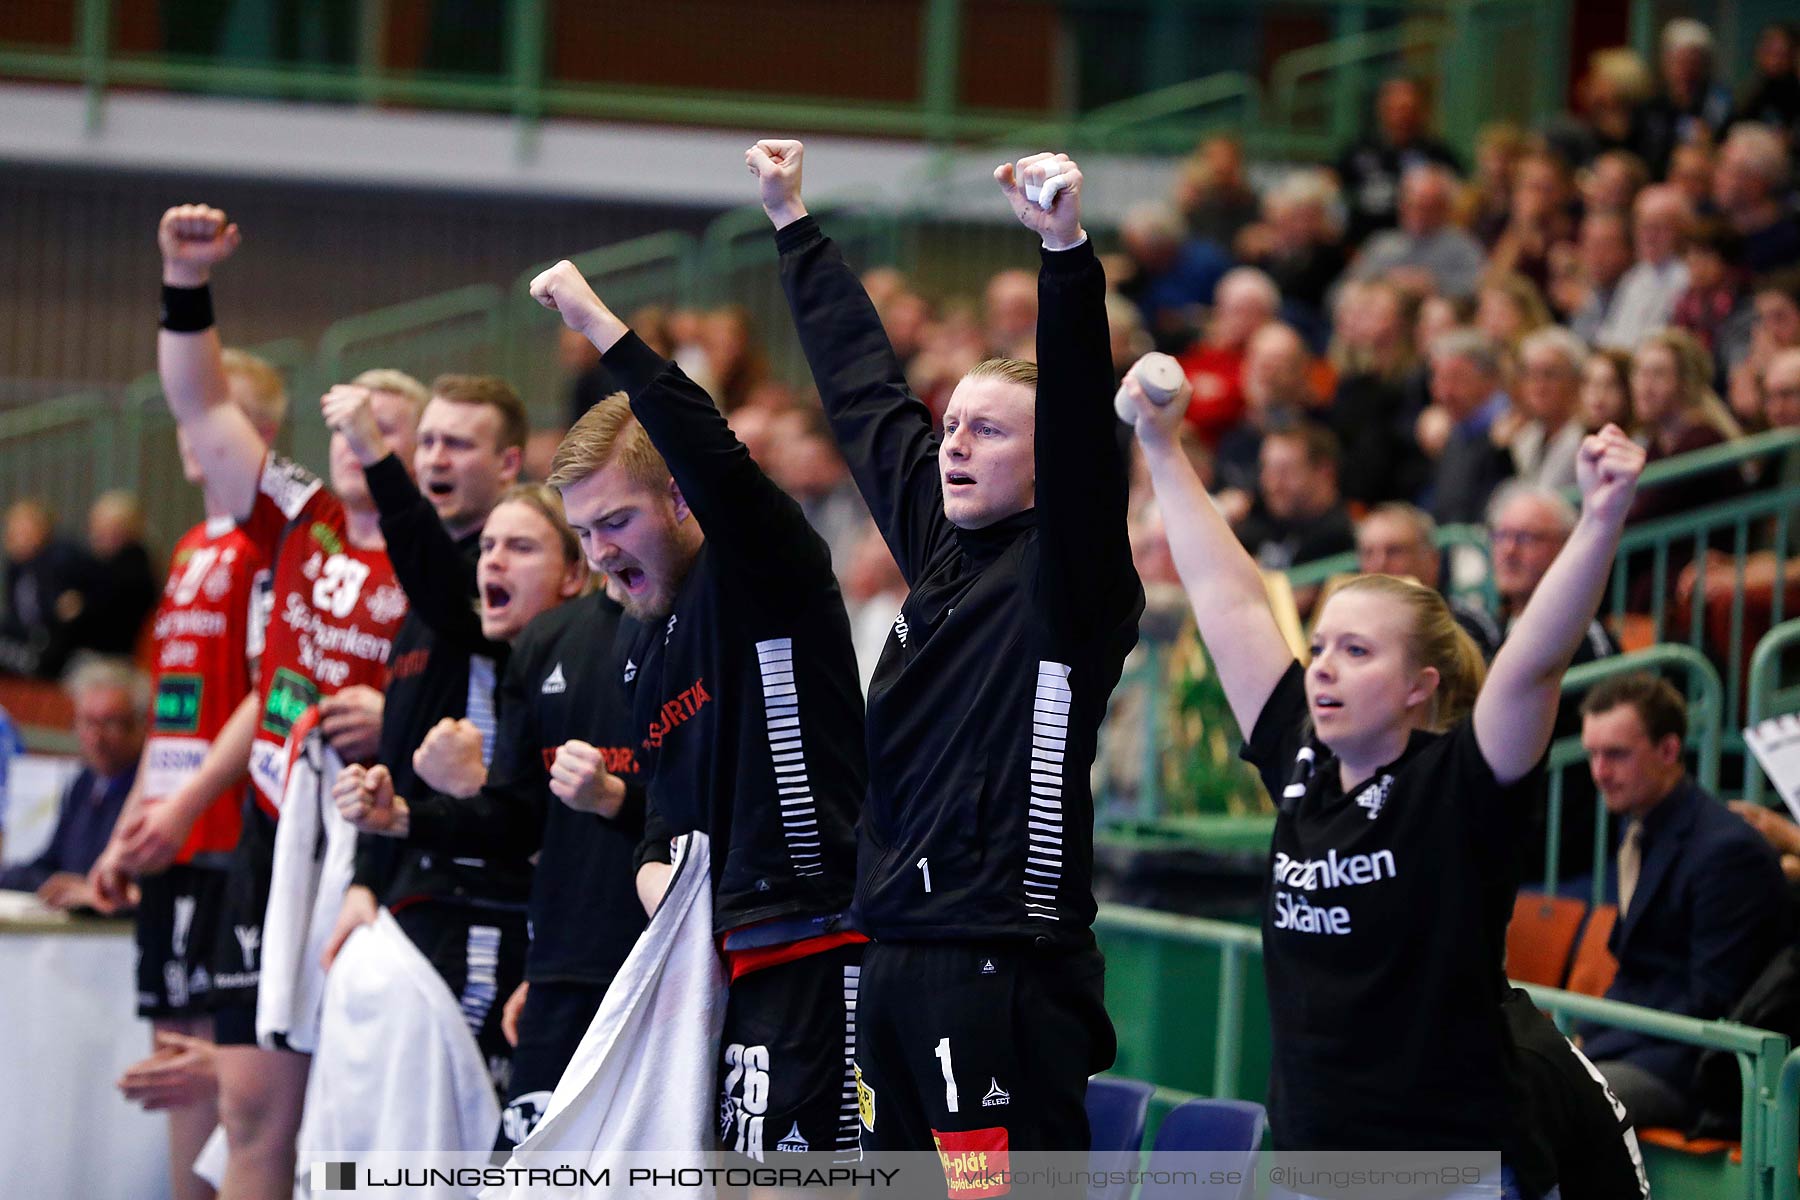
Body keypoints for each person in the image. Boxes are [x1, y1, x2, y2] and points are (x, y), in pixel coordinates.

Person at [1120, 344, 1646, 1190]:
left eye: (1356, 651)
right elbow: (1233, 599)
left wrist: (1600, 517)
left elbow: (1535, 665)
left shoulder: (1461, 785)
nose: (1320, 665)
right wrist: (1161, 448)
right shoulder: (1302, 759)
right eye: (1320, 644)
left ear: (1418, 689)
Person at [755, 138, 1143, 1159]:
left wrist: (1063, 253)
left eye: (990, 433)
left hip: (998, 962)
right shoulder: (939, 546)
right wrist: (794, 226)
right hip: (890, 949)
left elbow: (1081, 443)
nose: (956, 446)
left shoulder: (1071, 577)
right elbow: (865, 396)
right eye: (954, 426)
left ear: (1046, 463)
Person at [527, 247, 869, 1162]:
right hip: (719, 968)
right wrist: (626, 822)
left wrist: (599, 326)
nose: (598, 554)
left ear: (678, 497)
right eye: (583, 533)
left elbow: (712, 451)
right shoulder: (645, 643)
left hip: (816, 941)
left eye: (615, 523)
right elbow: (666, 835)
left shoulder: (759, 568)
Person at [155, 203, 418, 1196]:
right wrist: (186, 281)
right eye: (346, 419)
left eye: (384, 426)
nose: (356, 436)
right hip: (273, 837)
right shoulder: (300, 515)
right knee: (250, 1107)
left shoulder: (447, 566)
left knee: (349, 1117)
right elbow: (200, 409)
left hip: (377, 838)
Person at [334, 483, 624, 1150]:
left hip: (577, 955)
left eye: (519, 547)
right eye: (487, 546)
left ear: (576, 571)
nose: (492, 561)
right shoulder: (520, 656)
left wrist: (468, 785)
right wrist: (398, 818)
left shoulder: (610, 651)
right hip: (541, 955)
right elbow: (520, 821)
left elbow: (586, 840)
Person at [86, 350, 287, 1200]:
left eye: (216, 413)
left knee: (216, 1068)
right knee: (173, 1060)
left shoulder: (267, 549)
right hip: (169, 840)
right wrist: (127, 828)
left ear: (260, 435)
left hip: (227, 839)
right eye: (189, 414)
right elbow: (175, 707)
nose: (193, 431)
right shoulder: (189, 546)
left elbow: (268, 692)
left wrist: (189, 806)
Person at [319, 373, 533, 1093]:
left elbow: (452, 596)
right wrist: (363, 881)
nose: (437, 457)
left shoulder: (499, 583)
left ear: (509, 464)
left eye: (459, 444)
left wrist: (376, 458)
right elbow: (396, 768)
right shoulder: (426, 589)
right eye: (430, 442)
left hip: (477, 891)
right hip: (413, 886)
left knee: (458, 1134)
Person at [1577, 674, 1790, 1129]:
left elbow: (1710, 1002)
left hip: (1691, 1068)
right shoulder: (1638, 823)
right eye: (1592, 754)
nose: (1599, 773)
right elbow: (1639, 968)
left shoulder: (1727, 852)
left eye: (1616, 754)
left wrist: (1592, 1049)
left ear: (1669, 751)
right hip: (1642, 1045)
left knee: (1549, 1109)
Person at [1486, 483, 1621, 888]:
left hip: (1563, 860)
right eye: (1501, 536)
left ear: (1567, 549)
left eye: (1526, 538)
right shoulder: (1491, 630)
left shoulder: (1587, 641)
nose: (1509, 550)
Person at [0, 658, 144, 905]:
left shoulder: (151, 792)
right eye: (87, 722)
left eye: (110, 723)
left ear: (141, 725)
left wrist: (91, 892)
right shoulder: (85, 782)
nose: (95, 737)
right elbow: (49, 864)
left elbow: (146, 892)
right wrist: (51, 884)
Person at [1334, 76, 1463, 247]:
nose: (1402, 116)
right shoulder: (1360, 149)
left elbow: (1463, 196)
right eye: (1395, 109)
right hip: (1359, 245)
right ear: (1382, 110)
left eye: (1408, 109)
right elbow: (1331, 179)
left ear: (1420, 112)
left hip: (1419, 246)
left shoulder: (1436, 153)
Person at [1345, 164, 1487, 300]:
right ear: (1401, 205)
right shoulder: (1381, 244)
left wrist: (1436, 286)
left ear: (1444, 208)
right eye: (1412, 204)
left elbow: (1481, 289)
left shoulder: (1461, 246)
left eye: (1429, 206)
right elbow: (1340, 293)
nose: (1418, 213)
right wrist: (1384, 283)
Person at [1423, 329, 1516, 525]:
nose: (1444, 391)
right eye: (1438, 378)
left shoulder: (1512, 432)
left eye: (1455, 378)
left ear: (1490, 379)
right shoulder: (1453, 432)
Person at [1595, 185, 1694, 352]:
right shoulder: (1634, 276)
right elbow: (1613, 335)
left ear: (1680, 231)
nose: (1649, 236)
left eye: (1659, 228)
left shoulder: (1686, 278)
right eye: (1643, 226)